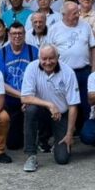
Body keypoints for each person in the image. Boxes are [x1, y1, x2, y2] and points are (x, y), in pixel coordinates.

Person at [20, 44, 80, 172]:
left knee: (62, 159)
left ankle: (57, 144)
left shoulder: (68, 72)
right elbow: (25, 98)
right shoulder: (31, 67)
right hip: (41, 112)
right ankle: (31, 156)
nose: (47, 62)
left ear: (58, 57)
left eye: (51, 58)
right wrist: (50, 105)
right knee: (30, 110)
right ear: (39, 58)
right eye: (44, 59)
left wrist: (69, 134)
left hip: (61, 115)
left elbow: (73, 105)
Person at [47, 1, 95, 125]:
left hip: (84, 71)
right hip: (63, 72)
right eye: (74, 13)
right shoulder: (54, 29)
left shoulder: (85, 26)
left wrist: (94, 68)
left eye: (78, 12)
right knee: (65, 102)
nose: (78, 15)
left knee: (86, 102)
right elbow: (49, 51)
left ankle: (86, 130)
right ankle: (65, 129)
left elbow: (93, 47)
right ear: (64, 14)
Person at [0, 22, 39, 151]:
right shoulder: (1, 53)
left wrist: (29, 97)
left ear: (25, 34)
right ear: (9, 35)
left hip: (31, 97)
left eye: (20, 33)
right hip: (12, 99)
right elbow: (0, 83)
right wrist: (22, 96)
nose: (17, 36)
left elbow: (39, 78)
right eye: (14, 33)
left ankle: (41, 137)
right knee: (13, 144)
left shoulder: (33, 51)